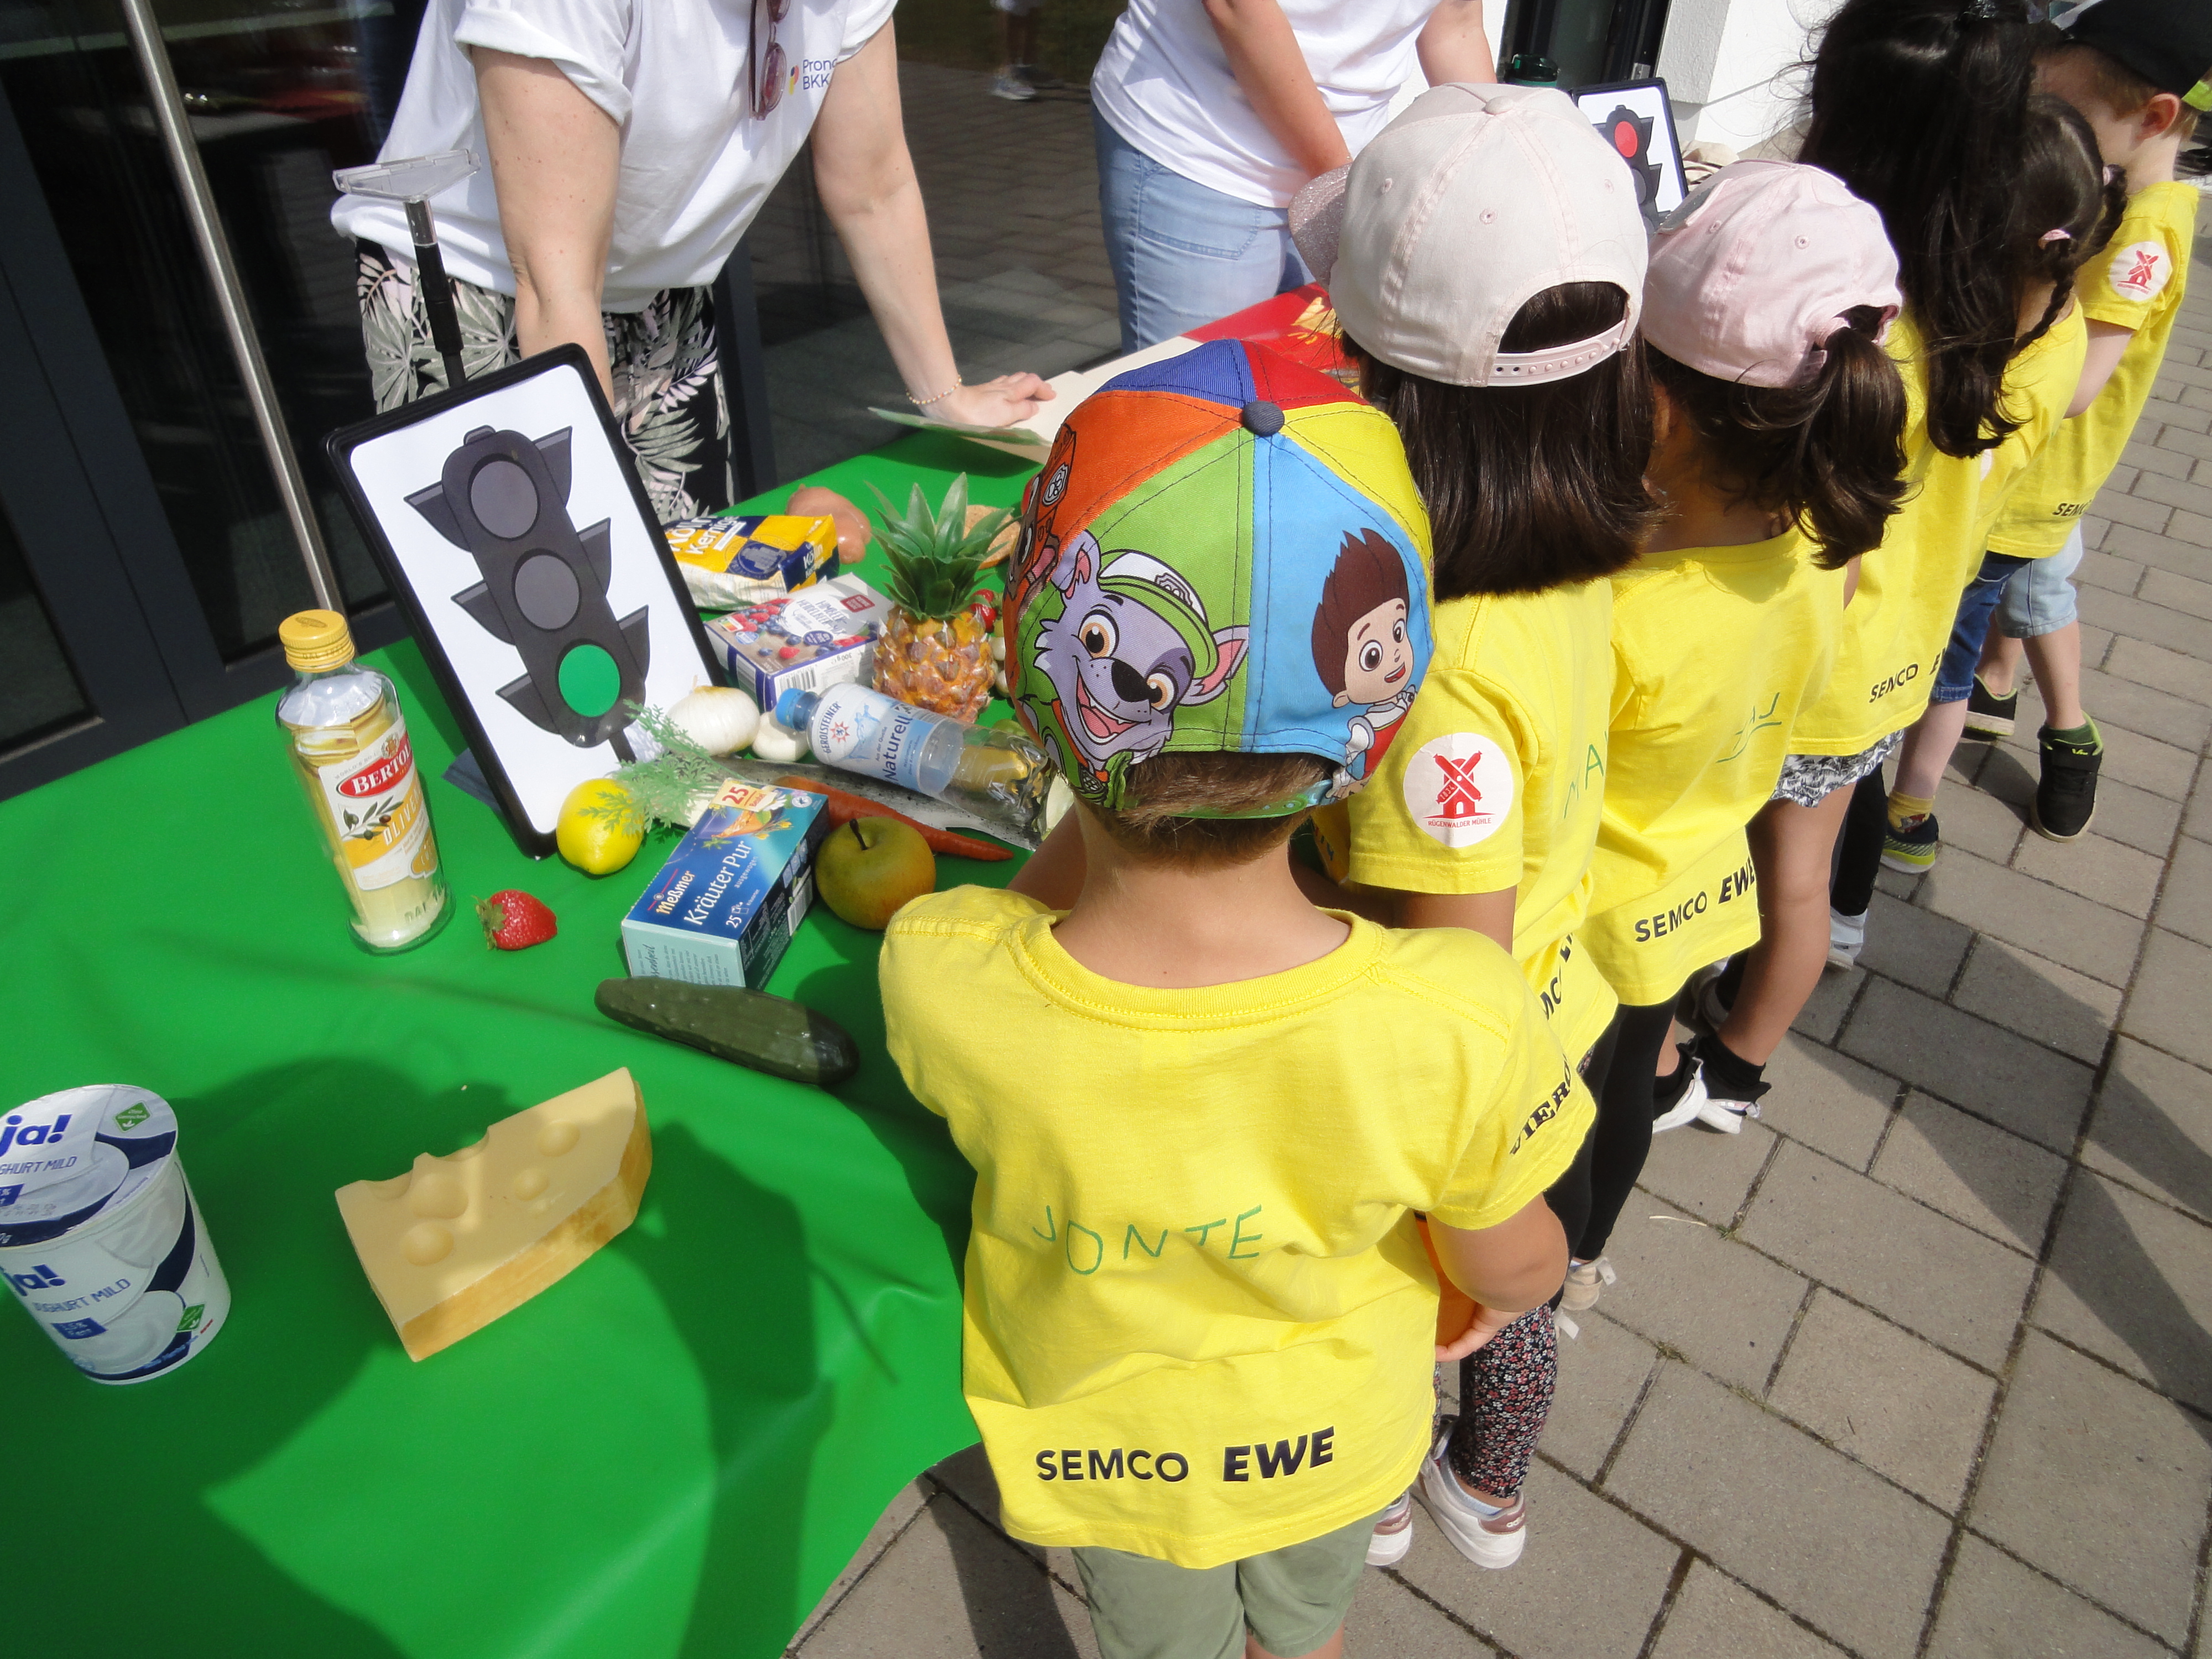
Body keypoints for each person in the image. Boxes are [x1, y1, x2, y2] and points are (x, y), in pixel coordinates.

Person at [881, 337, 1591, 1659]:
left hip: (1112, 1458)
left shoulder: (942, 966)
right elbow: (1518, 1259)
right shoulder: (1456, 1014)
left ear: (1039, 688)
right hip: (1337, 1441)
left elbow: (1025, 916)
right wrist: (1499, 1282)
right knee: (1306, 1625)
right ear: (1370, 713)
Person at [1295, 84, 1652, 1566]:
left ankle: (1387, 1490)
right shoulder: (1576, 539)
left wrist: (1462, 1231)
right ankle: (1479, 1483)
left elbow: (1448, 986)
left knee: (1448, 1316)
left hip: (1450, 1111)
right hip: (1553, 1032)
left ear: (1385, 383)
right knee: (1509, 1317)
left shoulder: (1428, 667)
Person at [1681, 0, 2042, 1109]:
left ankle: (1661, 1062)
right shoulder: (1990, 302)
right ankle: (1741, 1073)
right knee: (1801, 882)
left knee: (1704, 871)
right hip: (1888, 667)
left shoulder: (1841, 319)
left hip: (1791, 669)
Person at [335, 0, 1050, 528]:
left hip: (663, 289)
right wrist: (594, 517)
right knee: (537, 611)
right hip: (475, 294)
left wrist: (946, 394)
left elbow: (874, 185)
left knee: (709, 592)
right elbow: (556, 284)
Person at [1574, 160, 1907, 1174]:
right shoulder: (1827, 549)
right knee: (1633, 1083)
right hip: (1700, 884)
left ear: (1658, 409)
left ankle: (1528, 1304)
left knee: (1556, 1123)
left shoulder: (1612, 612)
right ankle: (1578, 1268)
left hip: (1584, 926)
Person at [1964, 1, 2212, 842]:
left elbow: (2076, 386)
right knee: (2034, 587)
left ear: (2153, 119)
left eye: (2069, 117)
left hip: (2046, 467)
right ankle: (1998, 688)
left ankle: (2070, 735)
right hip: (2047, 464)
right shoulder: (2127, 196)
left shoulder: (2147, 228)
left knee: (2032, 587)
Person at [1871, 94, 2119, 875]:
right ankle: (1912, 814)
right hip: (1971, 555)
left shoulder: (1918, 349)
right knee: (1951, 677)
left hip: (1888, 587)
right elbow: (2077, 399)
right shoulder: (2066, 327)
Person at [1089, 0, 1495, 354]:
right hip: (1204, 147)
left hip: (1348, 167)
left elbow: (1455, 23)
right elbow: (1237, 8)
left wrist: (1498, 165)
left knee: (1317, 400)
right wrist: (1344, 190)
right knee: (1199, 408)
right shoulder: (1344, 188)